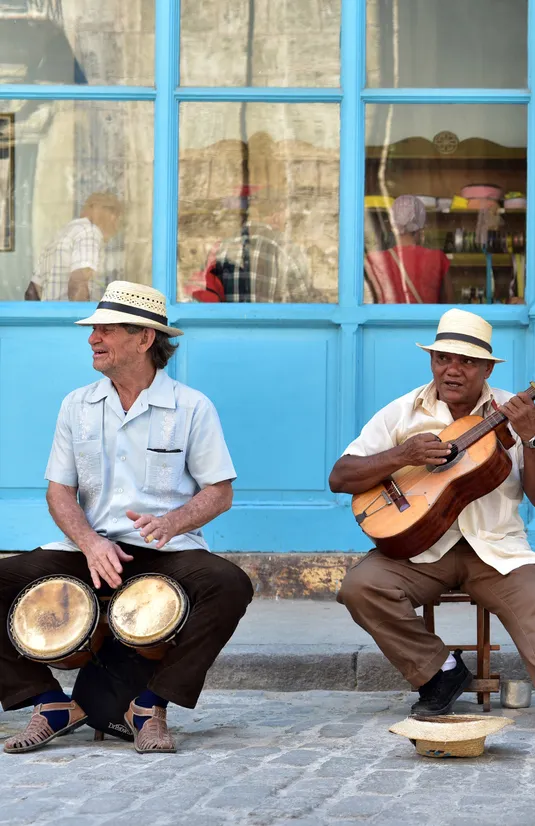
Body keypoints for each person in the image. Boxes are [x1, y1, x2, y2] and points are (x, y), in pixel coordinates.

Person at [330, 308, 535, 741]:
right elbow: (341, 476)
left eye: (467, 362)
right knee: (360, 587)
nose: (452, 370)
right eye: (443, 358)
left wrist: (532, 438)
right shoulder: (402, 412)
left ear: (487, 368)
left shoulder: (516, 410)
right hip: (420, 550)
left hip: (494, 547)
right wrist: (402, 456)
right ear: (432, 361)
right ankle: (440, 673)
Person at [0, 282, 251, 754]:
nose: (94, 339)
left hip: (166, 550)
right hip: (90, 549)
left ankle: (151, 704)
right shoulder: (77, 404)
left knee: (231, 584)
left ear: (145, 339)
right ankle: (47, 701)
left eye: (107, 330)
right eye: (94, 330)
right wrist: (91, 543)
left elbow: (220, 492)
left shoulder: (192, 407)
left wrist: (173, 522)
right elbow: (59, 491)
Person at [199, 195, 316, 303]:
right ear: (277, 215)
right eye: (286, 219)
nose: (286, 223)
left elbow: (204, 297)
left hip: (229, 324)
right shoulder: (288, 250)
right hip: (274, 324)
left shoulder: (221, 248)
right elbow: (303, 305)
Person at [25, 192, 123, 302]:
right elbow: (78, 282)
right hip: (71, 317)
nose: (116, 223)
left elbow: (31, 291)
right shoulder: (89, 232)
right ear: (97, 209)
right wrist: (80, 317)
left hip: (53, 315)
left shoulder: (62, 235)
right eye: (115, 214)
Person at [364, 195, 452, 304]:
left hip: (387, 321)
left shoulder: (374, 260)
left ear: (392, 225)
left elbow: (369, 301)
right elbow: (448, 304)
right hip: (426, 321)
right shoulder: (437, 258)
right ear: (421, 227)